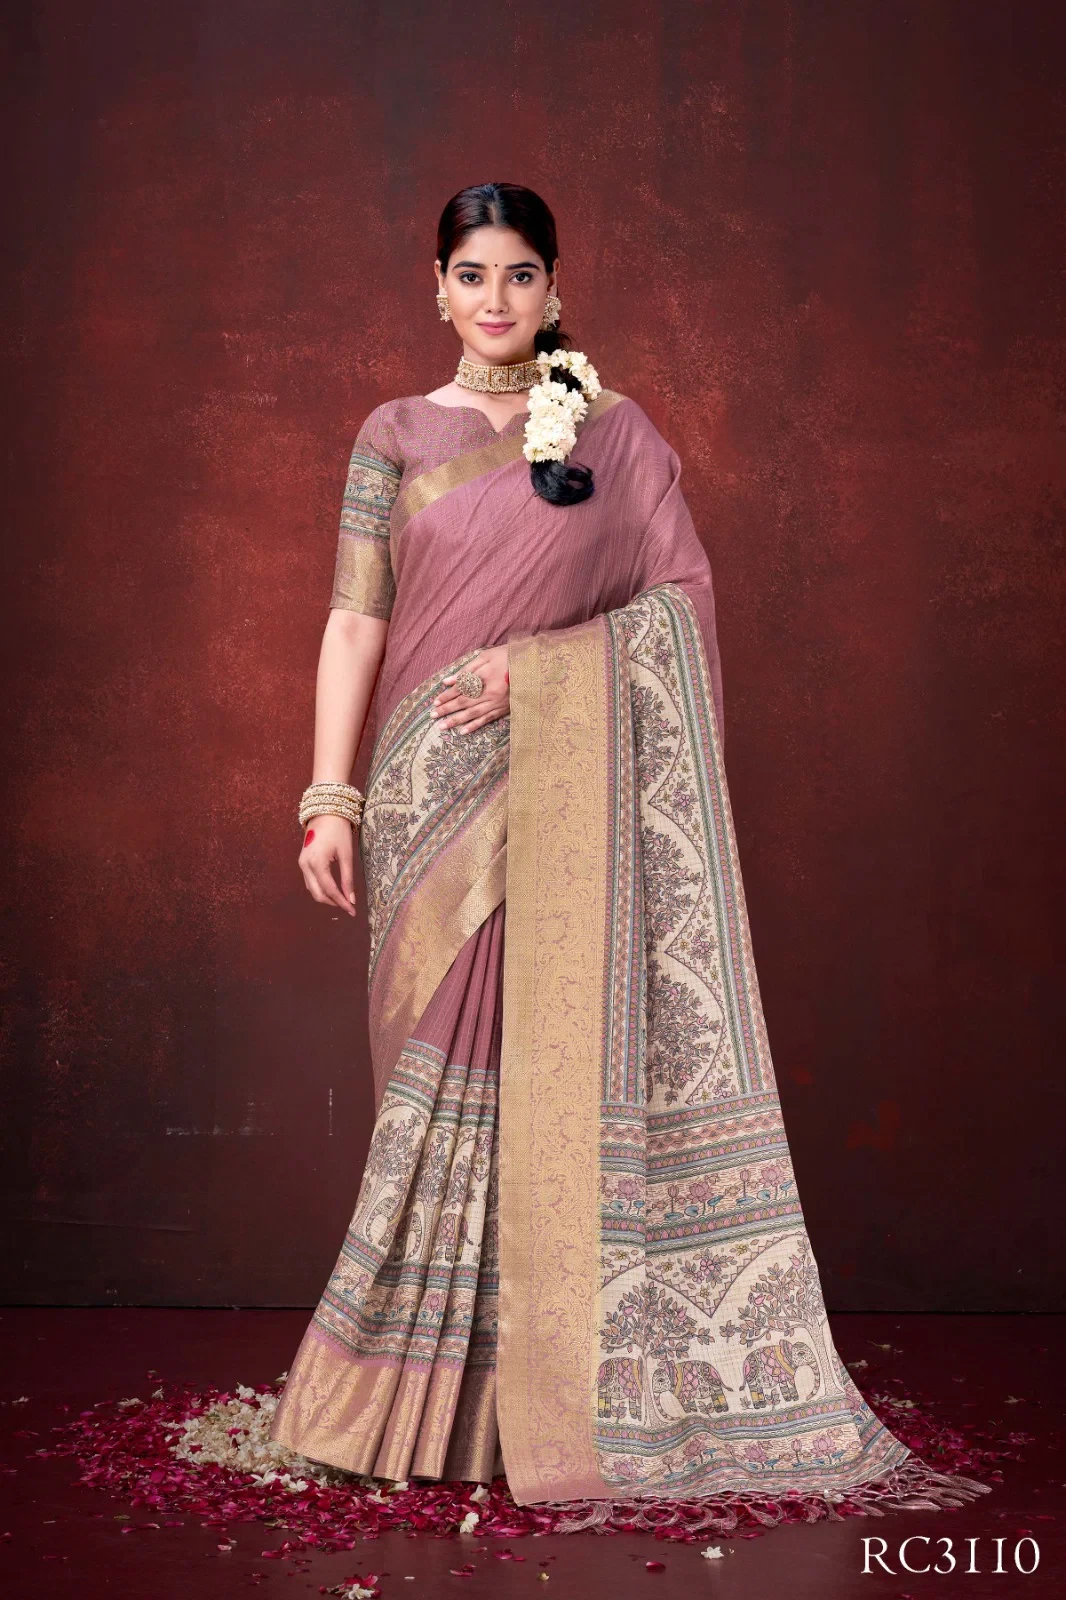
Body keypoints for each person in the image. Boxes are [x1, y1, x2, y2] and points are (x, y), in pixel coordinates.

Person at [269, 182, 989, 1517]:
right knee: (430, 1074)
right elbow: (354, 620)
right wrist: (329, 797)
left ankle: (539, 1396)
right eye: (472, 274)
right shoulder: (392, 434)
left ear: (554, 289)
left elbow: (679, 602)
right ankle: (422, 1397)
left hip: (558, 789)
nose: (495, 299)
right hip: (426, 796)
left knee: (537, 1069)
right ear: (436, 287)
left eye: (520, 274)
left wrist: (538, 672)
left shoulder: (616, 433)